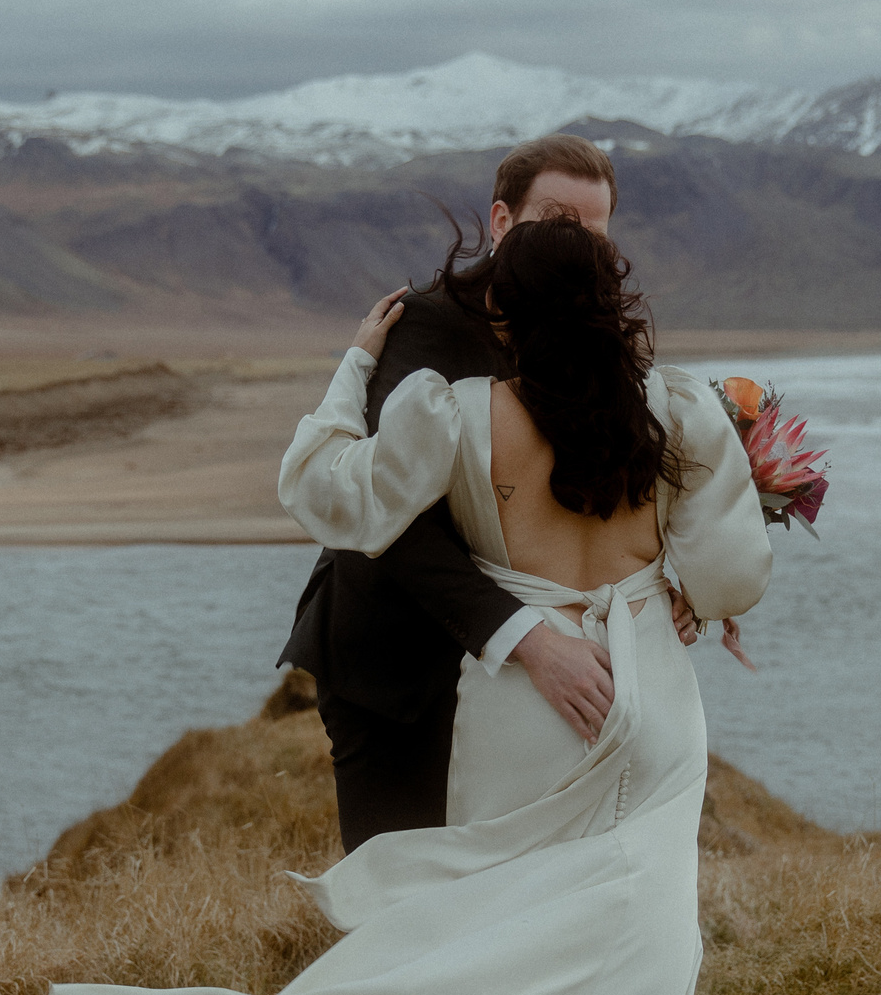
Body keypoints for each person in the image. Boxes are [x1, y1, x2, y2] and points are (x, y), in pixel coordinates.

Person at [42, 205, 771, 995]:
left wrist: (350, 373)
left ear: (507, 316)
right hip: (649, 701)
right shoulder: (679, 413)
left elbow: (331, 497)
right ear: (616, 302)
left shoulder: (461, 415)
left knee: (487, 958)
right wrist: (670, 577)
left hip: (531, 704)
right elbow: (733, 576)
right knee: (639, 968)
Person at [277, 134, 648, 852]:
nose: (576, 245)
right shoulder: (422, 328)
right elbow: (400, 526)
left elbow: (600, 485)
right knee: (399, 888)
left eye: (593, 231)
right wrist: (531, 642)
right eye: (554, 221)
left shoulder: (593, 338)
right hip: (397, 668)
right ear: (502, 221)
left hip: (517, 687)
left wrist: (682, 586)